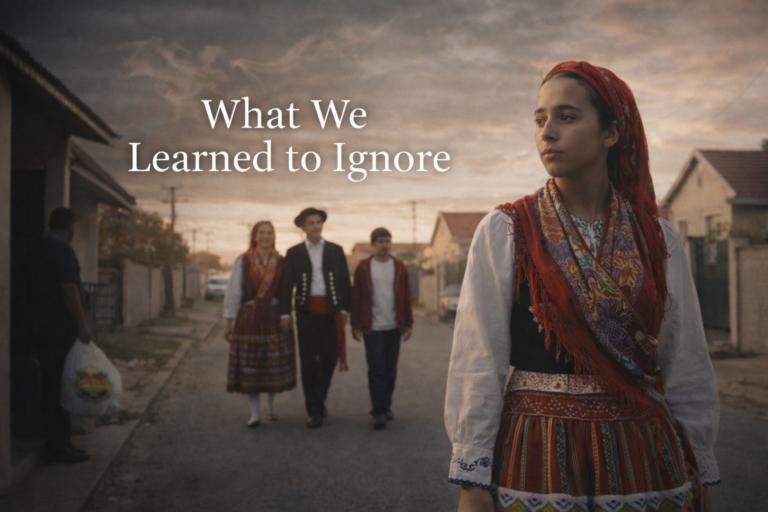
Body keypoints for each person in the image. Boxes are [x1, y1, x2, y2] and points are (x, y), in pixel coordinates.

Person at [445, 61, 719, 512]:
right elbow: (478, 359)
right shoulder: (507, 230)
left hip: (644, 453)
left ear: (611, 132)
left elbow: (684, 358)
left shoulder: (657, 239)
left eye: (567, 117)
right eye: (539, 120)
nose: (547, 132)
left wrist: (698, 463)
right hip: (538, 450)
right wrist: (472, 478)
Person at [280, 208, 351, 428]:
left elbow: (344, 282)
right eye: (310, 223)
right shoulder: (294, 252)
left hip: (330, 313)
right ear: (303, 227)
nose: (315, 226)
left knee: (328, 360)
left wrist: (345, 310)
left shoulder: (335, 250)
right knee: (309, 362)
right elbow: (286, 286)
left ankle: (319, 400)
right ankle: (314, 410)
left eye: (318, 222)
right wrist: (285, 313)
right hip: (306, 314)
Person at [223, 221, 296, 427]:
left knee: (272, 368)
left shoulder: (281, 262)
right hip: (249, 319)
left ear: (274, 237)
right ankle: (255, 413)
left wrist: (287, 316)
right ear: (254, 237)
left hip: (274, 318)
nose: (265, 236)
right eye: (261, 233)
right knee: (251, 367)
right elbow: (233, 292)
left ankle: (270, 406)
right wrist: (228, 322)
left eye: (269, 233)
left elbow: (286, 293)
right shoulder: (243, 261)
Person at [36, 207, 92, 463]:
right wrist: (82, 325)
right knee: (60, 386)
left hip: (42, 327)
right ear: (70, 227)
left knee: (52, 385)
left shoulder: (40, 247)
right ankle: (58, 446)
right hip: (59, 329)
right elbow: (69, 288)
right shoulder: (62, 249)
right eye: (74, 227)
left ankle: (60, 442)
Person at [350, 227, 414, 430]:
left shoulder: (400, 267)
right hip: (373, 327)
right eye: (380, 241)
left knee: (390, 369)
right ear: (373, 244)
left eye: (388, 241)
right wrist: (355, 324)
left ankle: (386, 406)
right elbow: (356, 296)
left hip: (394, 326)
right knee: (377, 368)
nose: (385, 245)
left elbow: (407, 296)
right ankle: (379, 410)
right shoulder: (363, 267)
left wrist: (408, 323)